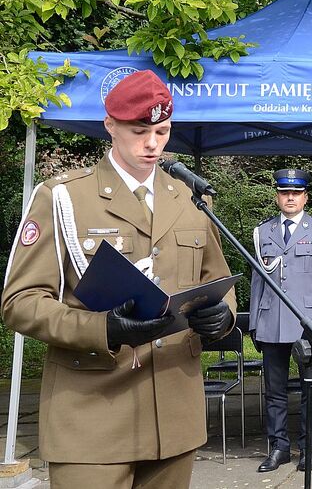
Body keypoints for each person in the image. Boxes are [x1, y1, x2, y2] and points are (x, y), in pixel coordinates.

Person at [1, 70, 235, 489]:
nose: (152, 144)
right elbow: (19, 301)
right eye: (139, 130)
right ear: (110, 124)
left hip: (174, 412)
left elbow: (217, 280)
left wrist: (223, 316)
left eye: (162, 131)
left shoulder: (190, 198)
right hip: (93, 416)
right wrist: (101, 327)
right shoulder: (63, 198)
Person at [250, 169, 312, 473]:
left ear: (305, 197)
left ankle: (307, 447)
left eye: (296, 193)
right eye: (285, 192)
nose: (290, 198)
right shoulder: (264, 231)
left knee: (310, 389)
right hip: (271, 320)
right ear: (277, 196)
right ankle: (279, 447)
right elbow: (257, 279)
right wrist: (253, 322)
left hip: (308, 320)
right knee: (273, 390)